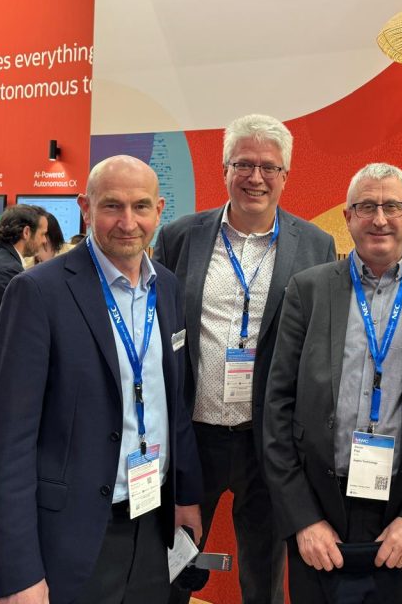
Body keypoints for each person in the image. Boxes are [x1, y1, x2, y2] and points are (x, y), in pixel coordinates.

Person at [0, 155, 203, 604]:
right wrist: (18, 571)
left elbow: (173, 404)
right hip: (71, 534)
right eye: (111, 206)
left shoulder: (167, 288)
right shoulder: (38, 292)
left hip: (152, 522)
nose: (128, 222)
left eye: (141, 207)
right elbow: (6, 440)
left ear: (159, 210)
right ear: (85, 207)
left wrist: (186, 494)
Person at [263, 163, 402, 604]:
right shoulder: (308, 291)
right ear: (347, 216)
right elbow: (276, 408)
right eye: (366, 206)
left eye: (392, 206)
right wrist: (302, 519)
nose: (379, 219)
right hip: (320, 512)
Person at [155, 114, 335, 603]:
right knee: (174, 564)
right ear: (225, 169)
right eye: (244, 164)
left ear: (285, 176)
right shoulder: (180, 237)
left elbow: (318, 347)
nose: (256, 177)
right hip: (194, 436)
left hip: (268, 440)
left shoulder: (315, 245)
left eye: (269, 167)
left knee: (264, 573)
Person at [0, 203, 47, 315]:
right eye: (42, 234)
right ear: (26, 232)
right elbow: (20, 318)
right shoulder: (8, 270)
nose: (44, 240)